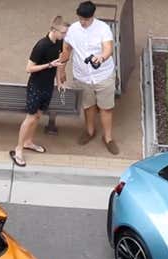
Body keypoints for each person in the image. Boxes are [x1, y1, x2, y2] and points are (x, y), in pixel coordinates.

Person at [60, 1, 119, 155]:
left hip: (103, 76)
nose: (83, 22)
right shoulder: (73, 29)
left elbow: (108, 49)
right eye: (80, 19)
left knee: (106, 108)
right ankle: (89, 131)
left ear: (92, 16)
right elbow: (66, 48)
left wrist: (101, 57)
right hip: (82, 76)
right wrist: (62, 69)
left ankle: (108, 138)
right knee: (88, 106)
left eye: (86, 19)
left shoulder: (103, 29)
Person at [10, 16, 68, 167]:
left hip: (48, 86)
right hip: (36, 86)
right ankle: (19, 149)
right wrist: (48, 65)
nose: (64, 36)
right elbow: (28, 68)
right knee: (30, 118)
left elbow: (57, 64)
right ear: (53, 30)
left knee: (38, 116)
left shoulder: (59, 43)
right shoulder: (41, 46)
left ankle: (29, 142)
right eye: (62, 32)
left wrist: (59, 82)